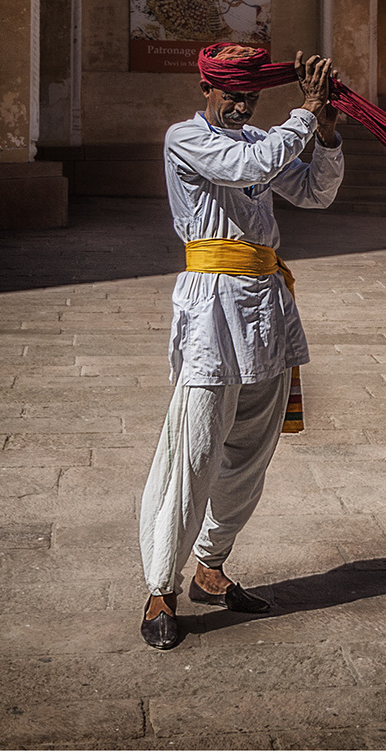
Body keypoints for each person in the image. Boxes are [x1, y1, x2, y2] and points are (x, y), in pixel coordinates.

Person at [138, 43, 344, 649]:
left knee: (251, 451)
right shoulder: (187, 138)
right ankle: (160, 586)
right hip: (211, 306)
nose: (241, 105)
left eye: (251, 97)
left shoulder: (259, 139)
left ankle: (211, 564)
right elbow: (247, 170)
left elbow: (314, 193)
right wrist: (306, 111)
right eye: (233, 94)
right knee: (196, 447)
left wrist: (326, 136)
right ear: (208, 89)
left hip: (267, 306)